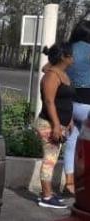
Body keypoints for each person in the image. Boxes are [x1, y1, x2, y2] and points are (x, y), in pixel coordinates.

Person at [36, 42, 74, 208]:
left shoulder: (62, 73)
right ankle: (46, 197)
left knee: (51, 158)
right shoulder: (52, 75)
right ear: (63, 57)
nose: (73, 58)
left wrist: (69, 120)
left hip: (60, 124)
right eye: (70, 55)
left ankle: (48, 192)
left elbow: (65, 100)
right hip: (48, 124)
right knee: (50, 160)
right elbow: (49, 101)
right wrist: (57, 125)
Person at [65, 20, 90, 195]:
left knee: (71, 143)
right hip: (88, 106)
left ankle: (69, 184)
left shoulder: (67, 49)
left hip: (70, 104)